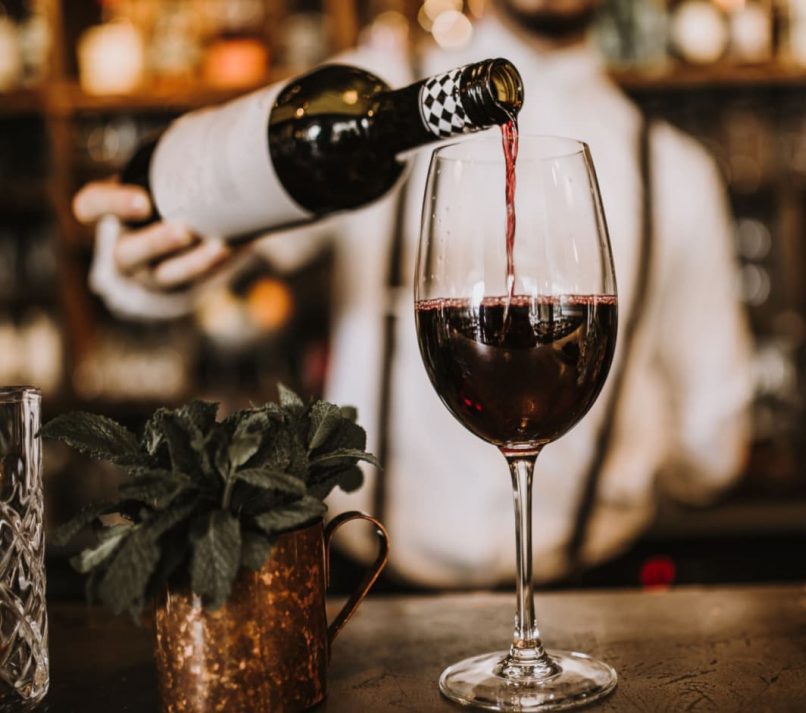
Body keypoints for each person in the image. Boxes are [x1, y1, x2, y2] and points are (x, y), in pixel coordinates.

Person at [71, 0, 752, 589]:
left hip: (596, 606)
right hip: (369, 596)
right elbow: (192, 251)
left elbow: (717, 442)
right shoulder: (383, 105)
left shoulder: (680, 175)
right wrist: (139, 260)